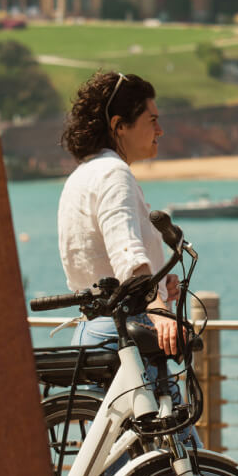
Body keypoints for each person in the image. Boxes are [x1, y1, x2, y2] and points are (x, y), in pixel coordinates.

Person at [57, 69, 180, 365]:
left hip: (92, 330)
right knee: (165, 411)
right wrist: (157, 307)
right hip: (123, 337)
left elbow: (96, 264)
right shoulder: (114, 173)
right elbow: (126, 251)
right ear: (119, 125)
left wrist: (160, 286)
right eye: (152, 120)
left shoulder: (82, 174)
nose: (160, 130)